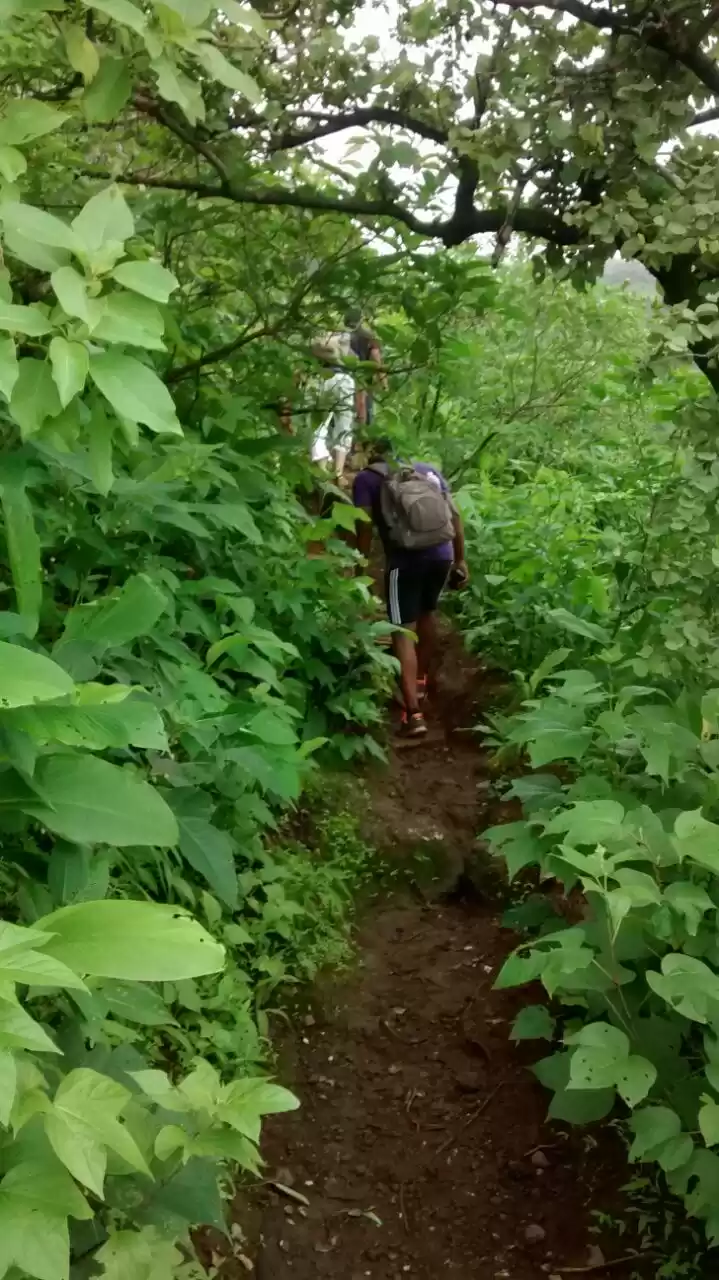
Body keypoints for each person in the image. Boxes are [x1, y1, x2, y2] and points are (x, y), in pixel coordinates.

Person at [353, 437, 469, 737]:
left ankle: (413, 715)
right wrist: (460, 560)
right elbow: (455, 516)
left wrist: (360, 568)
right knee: (427, 614)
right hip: (442, 555)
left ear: (370, 452)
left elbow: (363, 527)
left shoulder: (367, 479)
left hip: (405, 561)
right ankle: (420, 685)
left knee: (402, 631)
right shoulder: (426, 471)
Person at [310, 330, 355, 481]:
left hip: (320, 378)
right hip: (343, 380)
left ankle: (322, 468)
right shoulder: (344, 339)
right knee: (344, 426)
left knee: (317, 425)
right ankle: (338, 473)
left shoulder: (320, 339)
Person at [345, 307, 386, 426]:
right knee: (364, 415)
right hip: (363, 381)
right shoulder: (369, 337)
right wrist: (383, 382)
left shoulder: (340, 336)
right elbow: (376, 359)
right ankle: (360, 439)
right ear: (361, 320)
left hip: (341, 380)